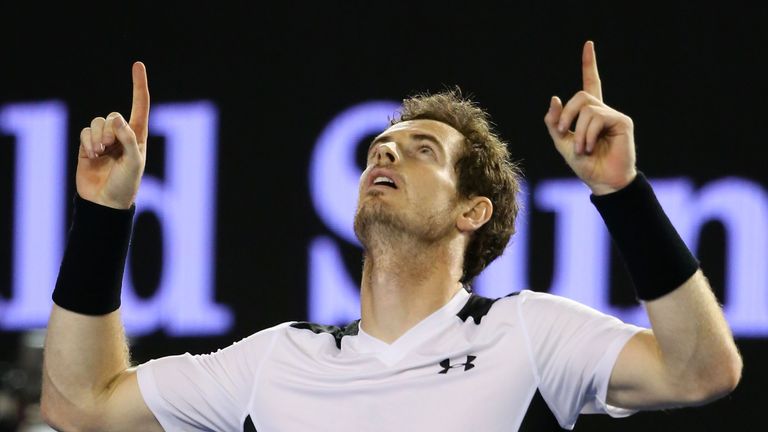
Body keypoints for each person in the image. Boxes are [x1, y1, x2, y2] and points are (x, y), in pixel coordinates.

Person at [40, 41, 741, 431]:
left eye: (421, 150)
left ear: (472, 212)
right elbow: (80, 404)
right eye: (380, 146)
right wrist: (106, 214)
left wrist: (620, 193)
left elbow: (701, 370)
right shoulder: (277, 360)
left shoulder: (531, 333)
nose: (384, 153)